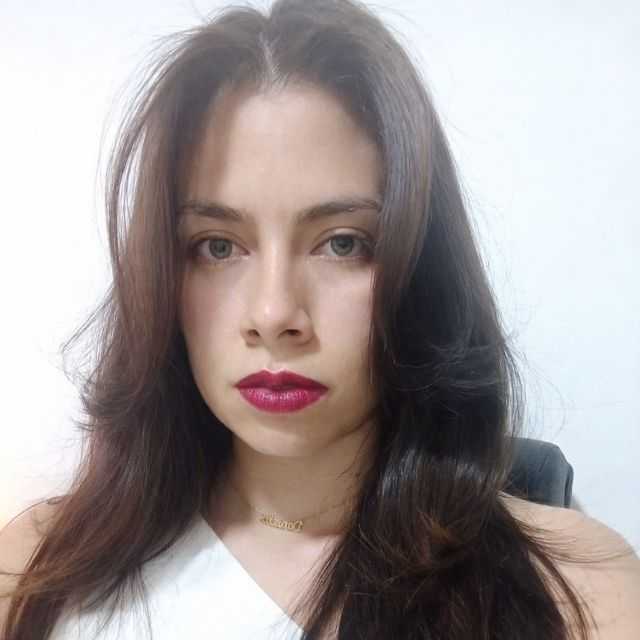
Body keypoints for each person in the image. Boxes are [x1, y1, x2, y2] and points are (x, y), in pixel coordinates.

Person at [1, 0, 639, 638]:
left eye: (342, 243)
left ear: (421, 266)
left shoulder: (578, 592)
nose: (274, 314)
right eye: (217, 247)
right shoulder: (34, 570)